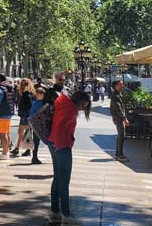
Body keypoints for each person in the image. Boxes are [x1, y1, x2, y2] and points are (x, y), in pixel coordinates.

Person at [47, 90, 92, 225]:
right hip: (62, 146)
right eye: (83, 105)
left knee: (57, 178)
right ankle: (66, 215)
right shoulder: (71, 110)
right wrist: (63, 144)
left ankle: (54, 213)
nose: (83, 108)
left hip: (53, 142)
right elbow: (63, 128)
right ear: (78, 100)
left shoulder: (62, 104)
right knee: (64, 182)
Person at [0, 73, 15, 160]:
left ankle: (5, 153)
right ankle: (5, 151)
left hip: (1, 113)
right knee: (6, 133)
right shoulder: (10, 87)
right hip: (9, 112)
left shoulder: (0, 88)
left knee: (2, 134)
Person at [11, 78, 35, 157]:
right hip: (26, 116)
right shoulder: (28, 94)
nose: (20, 86)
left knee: (23, 133)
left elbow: (30, 107)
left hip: (26, 116)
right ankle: (24, 149)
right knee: (25, 133)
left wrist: (28, 116)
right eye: (21, 84)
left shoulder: (26, 95)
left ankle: (20, 149)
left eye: (23, 84)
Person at [110, 80, 129, 162]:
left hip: (118, 118)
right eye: (121, 84)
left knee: (120, 135)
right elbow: (118, 108)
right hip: (119, 118)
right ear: (116, 86)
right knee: (122, 135)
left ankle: (118, 154)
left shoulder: (117, 94)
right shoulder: (116, 96)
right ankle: (119, 155)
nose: (122, 85)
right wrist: (124, 118)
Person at [28, 86, 46, 165]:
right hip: (37, 124)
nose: (40, 95)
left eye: (41, 93)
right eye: (38, 94)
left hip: (44, 124)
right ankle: (34, 157)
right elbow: (31, 114)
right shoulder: (35, 103)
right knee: (36, 142)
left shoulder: (45, 102)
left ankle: (35, 157)